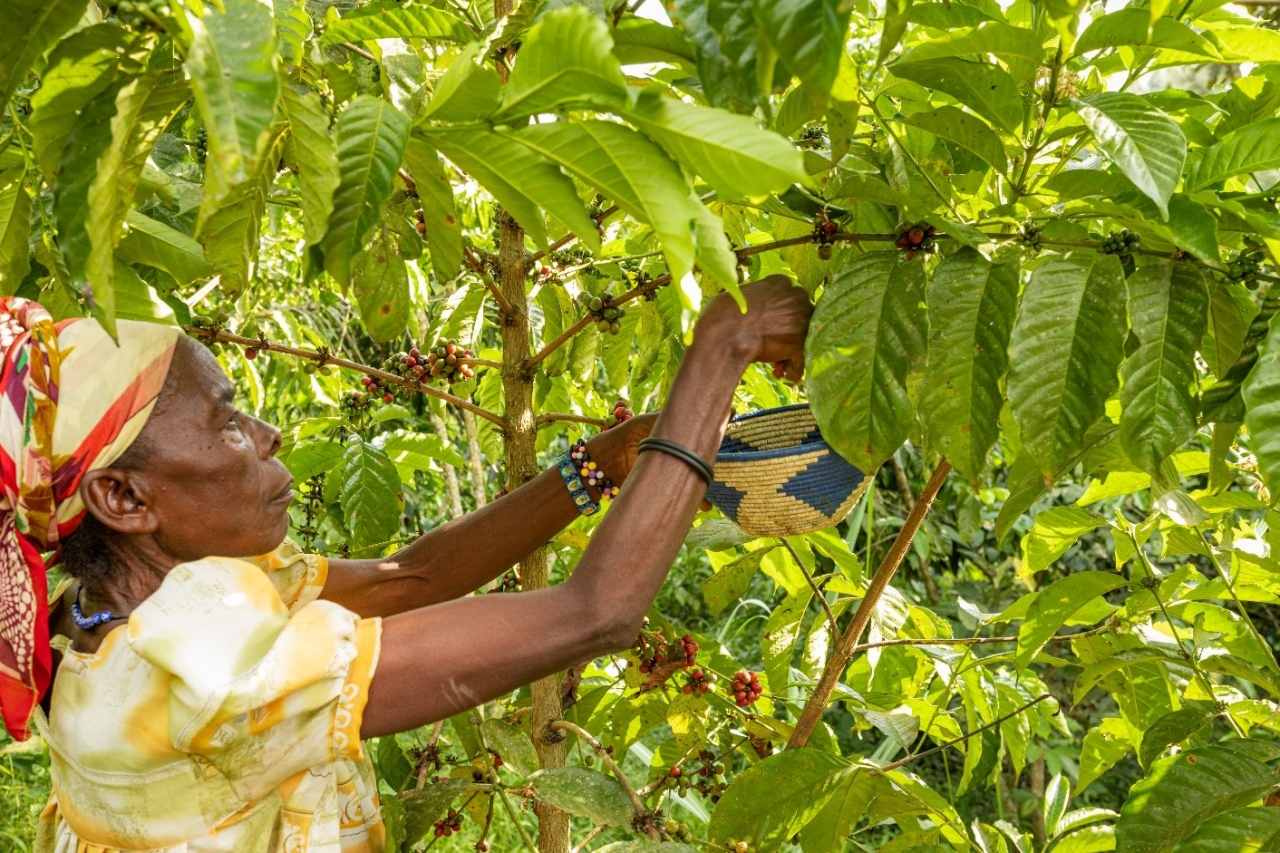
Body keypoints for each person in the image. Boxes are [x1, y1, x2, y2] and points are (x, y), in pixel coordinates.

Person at [0, 276, 812, 852]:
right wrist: (721, 350)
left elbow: (409, 576)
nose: (266, 432)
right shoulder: (198, 666)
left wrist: (598, 463)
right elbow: (595, 610)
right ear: (124, 498)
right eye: (226, 424)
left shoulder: (111, 608)